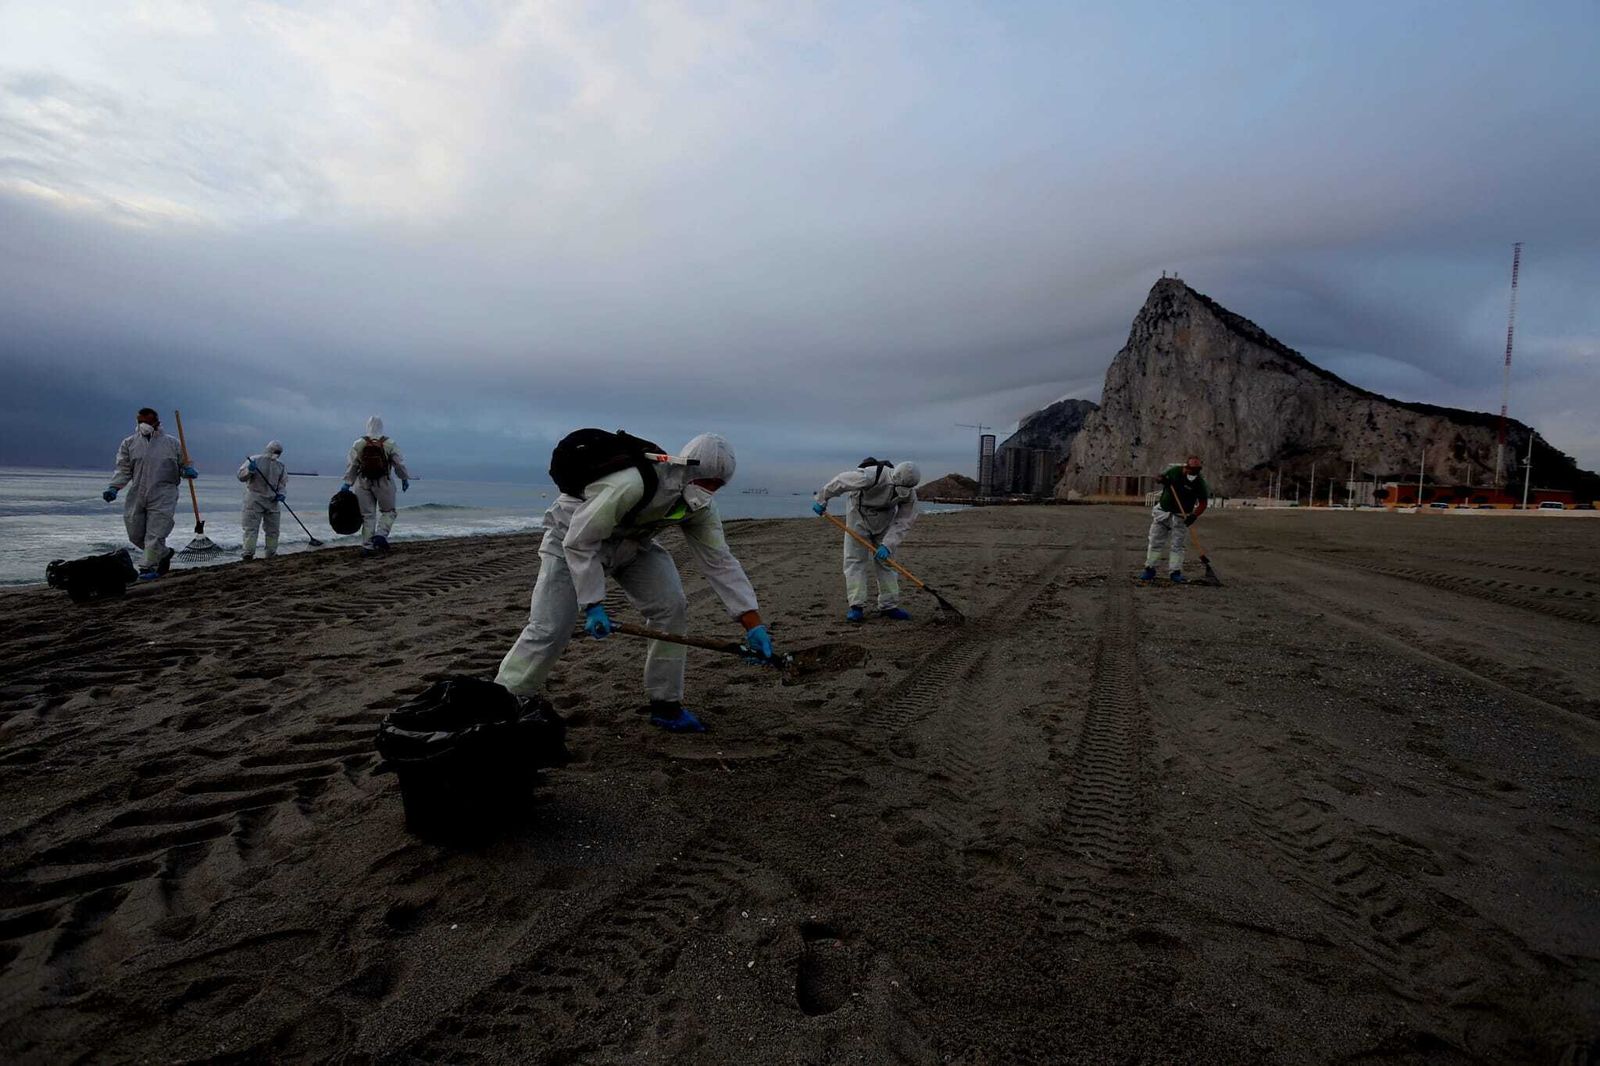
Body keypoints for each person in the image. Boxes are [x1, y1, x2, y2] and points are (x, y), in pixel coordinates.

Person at [495, 432, 773, 733]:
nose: (709, 492)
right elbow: (580, 541)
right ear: (688, 469)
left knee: (671, 607)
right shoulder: (632, 483)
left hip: (631, 545)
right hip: (569, 542)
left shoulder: (701, 508)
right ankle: (504, 700)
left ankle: (666, 705)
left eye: (717, 487)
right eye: (706, 482)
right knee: (550, 628)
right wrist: (593, 605)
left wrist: (752, 622)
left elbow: (720, 562)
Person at [812, 459, 920, 621]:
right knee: (855, 561)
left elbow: (904, 520)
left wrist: (888, 545)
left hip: (885, 519)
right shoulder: (870, 476)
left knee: (888, 563)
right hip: (859, 515)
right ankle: (856, 606)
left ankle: (889, 605)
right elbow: (841, 481)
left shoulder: (910, 493)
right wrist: (822, 499)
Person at [103, 407, 196, 580]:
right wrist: (114, 487)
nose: (143, 425)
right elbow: (123, 468)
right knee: (135, 534)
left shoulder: (172, 443)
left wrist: (188, 470)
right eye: (140, 422)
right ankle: (165, 553)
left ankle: (147, 568)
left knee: (156, 533)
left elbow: (184, 465)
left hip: (164, 493)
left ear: (156, 422)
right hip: (138, 492)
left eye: (146, 422)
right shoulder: (129, 443)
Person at [340, 416, 411, 551]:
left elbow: (352, 465)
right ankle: (380, 535)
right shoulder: (389, 443)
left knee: (368, 515)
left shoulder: (358, 443)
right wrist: (404, 479)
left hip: (363, 481)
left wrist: (347, 483)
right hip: (384, 481)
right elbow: (399, 464)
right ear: (381, 426)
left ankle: (367, 545)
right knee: (389, 511)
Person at [1142, 454, 1209, 583]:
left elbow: (1203, 503)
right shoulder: (1174, 472)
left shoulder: (1199, 483)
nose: (1194, 473)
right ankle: (1150, 568)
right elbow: (1158, 477)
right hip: (1163, 512)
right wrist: (1162, 480)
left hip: (1181, 516)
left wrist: (1194, 516)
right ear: (1186, 467)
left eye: (1197, 470)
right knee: (1156, 542)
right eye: (1192, 470)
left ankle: (1175, 572)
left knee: (1177, 545)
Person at [237, 441, 287, 561]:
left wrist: (281, 494)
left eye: (278, 453)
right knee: (251, 528)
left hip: (272, 500)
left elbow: (282, 483)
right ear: (268, 450)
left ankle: (271, 553)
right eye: (275, 451)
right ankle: (248, 554)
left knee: (273, 530)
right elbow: (240, 476)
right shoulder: (254, 460)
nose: (276, 454)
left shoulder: (280, 465)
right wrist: (250, 470)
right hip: (254, 499)